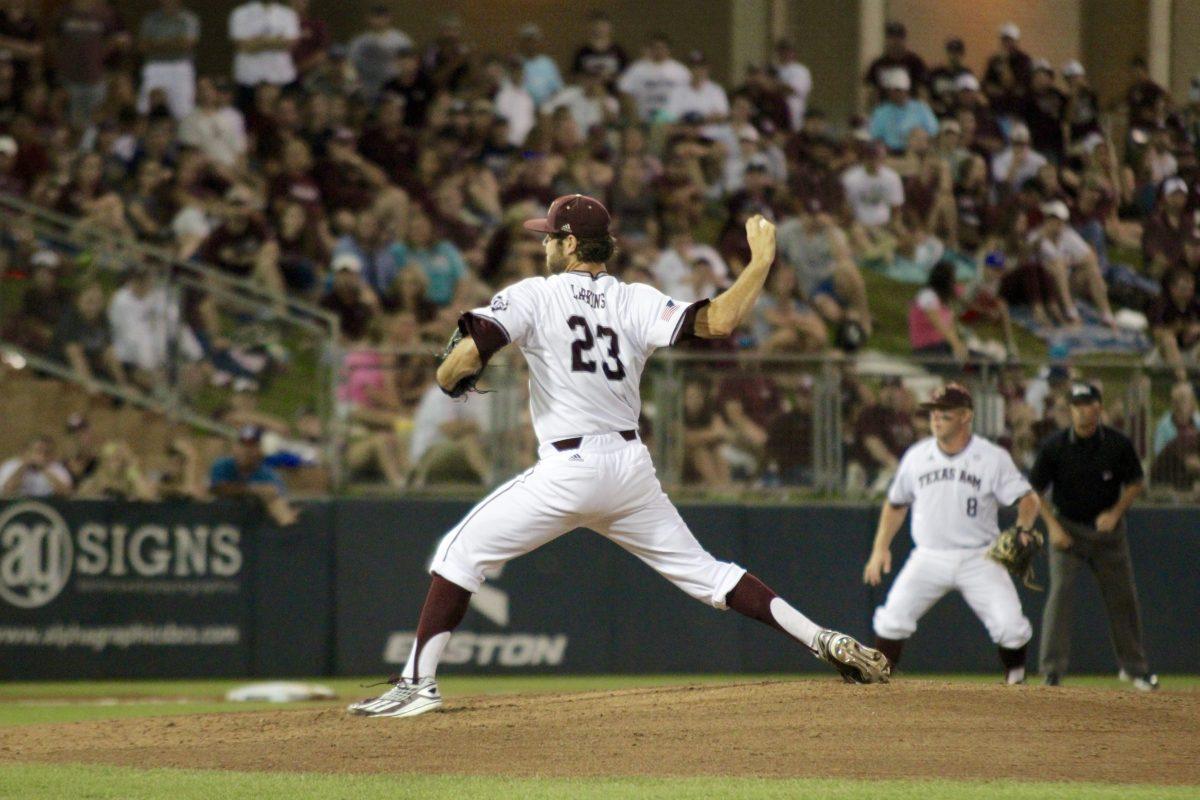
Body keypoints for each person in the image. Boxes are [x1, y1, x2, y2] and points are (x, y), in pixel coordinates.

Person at [347, 195, 888, 718]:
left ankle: (418, 685)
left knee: (459, 554)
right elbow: (720, 321)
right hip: (630, 469)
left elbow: (462, 359)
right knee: (710, 575)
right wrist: (762, 260)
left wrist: (451, 375)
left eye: (548, 237)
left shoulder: (536, 293)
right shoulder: (637, 298)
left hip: (569, 468)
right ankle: (820, 637)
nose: (543, 246)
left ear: (567, 243)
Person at [863, 383, 1042, 684]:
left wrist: (1023, 527)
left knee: (1011, 628)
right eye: (933, 412)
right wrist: (880, 548)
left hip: (980, 557)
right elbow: (895, 505)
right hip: (929, 556)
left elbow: (1029, 499)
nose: (935, 418)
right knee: (891, 621)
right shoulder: (916, 456)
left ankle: (1016, 680)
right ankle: (879, 683)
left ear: (966, 416)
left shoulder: (992, 457)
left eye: (944, 413)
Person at [1030, 382, 1157, 691]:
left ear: (1098, 407)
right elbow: (1033, 490)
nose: (1081, 410)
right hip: (1068, 530)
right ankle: (1051, 670)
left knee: (1123, 598)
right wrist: (1053, 527)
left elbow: (1136, 482)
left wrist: (1115, 513)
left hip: (1107, 535)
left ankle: (1135, 669)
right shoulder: (1055, 446)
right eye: (1076, 404)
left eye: (1086, 404)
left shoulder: (1116, 444)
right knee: (1060, 595)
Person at [209, 424, 299, 526]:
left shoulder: (268, 476)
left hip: (254, 527)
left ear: (260, 449)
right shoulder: (223, 465)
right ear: (235, 447)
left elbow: (279, 499)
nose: (246, 451)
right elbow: (217, 489)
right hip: (219, 522)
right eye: (243, 445)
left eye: (252, 446)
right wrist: (253, 490)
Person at [137, 0, 200, 119]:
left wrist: (156, 44)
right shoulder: (150, 19)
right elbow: (143, 46)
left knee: (183, 110)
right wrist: (175, 42)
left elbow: (187, 44)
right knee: (146, 107)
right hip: (155, 65)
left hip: (180, 66)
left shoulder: (189, 19)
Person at [1150, 268, 1200, 382]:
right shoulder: (1161, 305)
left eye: (1190, 289)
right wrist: (1178, 329)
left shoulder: (1194, 304)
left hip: (1190, 351)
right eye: (1183, 289)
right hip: (1165, 355)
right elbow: (1157, 334)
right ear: (1173, 288)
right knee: (1169, 340)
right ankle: (1183, 381)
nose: (1188, 293)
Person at [0, 436, 74, 498]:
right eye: (37, 451)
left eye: (46, 452)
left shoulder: (56, 468)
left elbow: (66, 493)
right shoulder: (11, 465)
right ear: (27, 451)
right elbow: (6, 491)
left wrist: (44, 469)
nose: (42, 456)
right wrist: (24, 467)